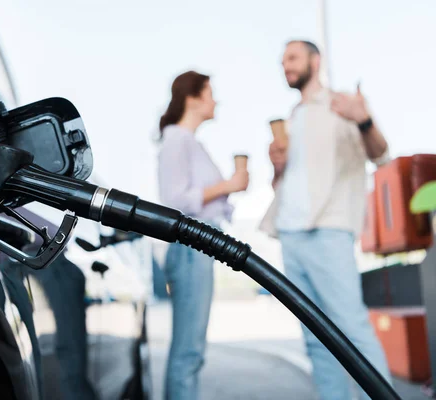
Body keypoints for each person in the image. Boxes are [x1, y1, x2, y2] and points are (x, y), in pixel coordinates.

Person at [260, 40, 391, 400]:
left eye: (292, 57)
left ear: (315, 61)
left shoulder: (341, 104)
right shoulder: (293, 116)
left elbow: (380, 154)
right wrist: (277, 168)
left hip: (327, 230)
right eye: (282, 58)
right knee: (316, 339)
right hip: (290, 233)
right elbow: (283, 184)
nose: (284, 64)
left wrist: (362, 118)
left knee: (352, 328)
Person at [157, 70, 249, 400]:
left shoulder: (189, 141)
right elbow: (175, 199)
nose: (215, 100)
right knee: (189, 349)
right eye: (210, 93)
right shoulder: (177, 139)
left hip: (199, 246)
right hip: (190, 247)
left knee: (190, 347)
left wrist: (230, 190)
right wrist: (228, 185)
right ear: (192, 98)